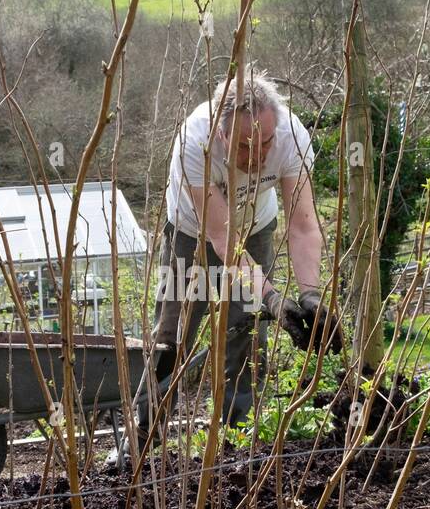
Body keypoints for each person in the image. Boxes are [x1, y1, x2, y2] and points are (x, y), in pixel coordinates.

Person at [122, 66, 342, 461]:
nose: (257, 156)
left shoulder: (292, 137)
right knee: (171, 338)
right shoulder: (195, 143)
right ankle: (141, 440)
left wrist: (310, 295)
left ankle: (236, 442)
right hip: (191, 236)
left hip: (256, 228)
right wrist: (274, 298)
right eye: (244, 146)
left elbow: (304, 224)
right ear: (220, 133)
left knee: (246, 332)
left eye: (265, 143)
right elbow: (223, 238)